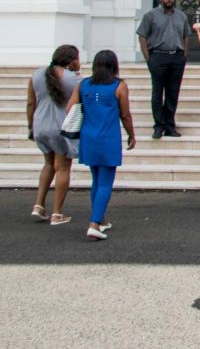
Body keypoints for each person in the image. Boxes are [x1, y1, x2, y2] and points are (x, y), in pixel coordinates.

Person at [67, 50, 136, 241]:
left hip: (88, 136)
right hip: (108, 137)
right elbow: (125, 115)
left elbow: (70, 109)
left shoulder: (83, 85)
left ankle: (101, 219)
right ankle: (94, 223)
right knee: (106, 182)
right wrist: (131, 134)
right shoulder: (119, 86)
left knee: (96, 179)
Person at [27, 45, 81, 225]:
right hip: (61, 126)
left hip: (40, 124)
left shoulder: (36, 75)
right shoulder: (74, 79)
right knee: (63, 167)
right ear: (71, 60)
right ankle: (57, 213)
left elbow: (30, 103)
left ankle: (39, 205)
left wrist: (30, 127)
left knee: (48, 164)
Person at [137, 0, 191, 139]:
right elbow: (142, 36)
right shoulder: (150, 16)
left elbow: (187, 35)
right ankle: (158, 126)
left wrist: (184, 55)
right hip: (158, 57)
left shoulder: (181, 16)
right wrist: (148, 58)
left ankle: (170, 126)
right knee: (157, 93)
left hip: (176, 58)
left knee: (173, 93)